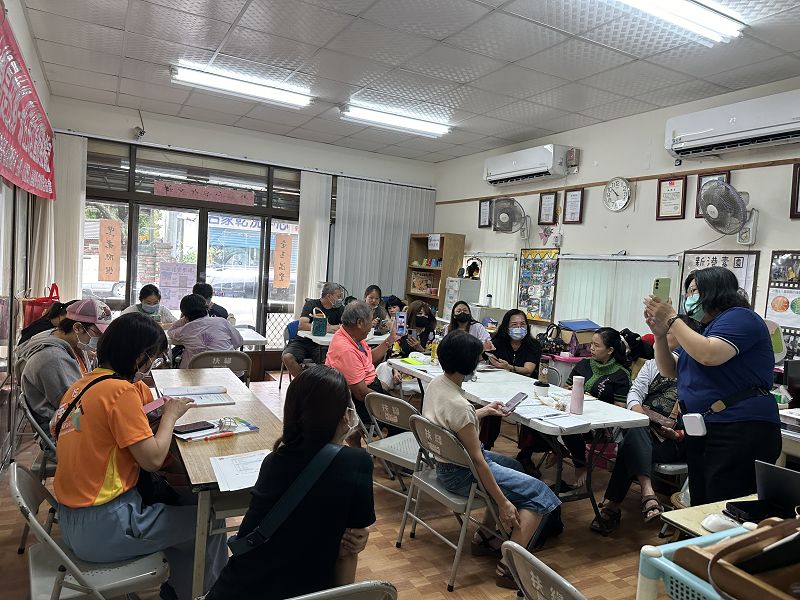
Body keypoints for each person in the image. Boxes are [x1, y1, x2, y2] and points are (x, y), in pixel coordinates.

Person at [51, 313, 226, 600]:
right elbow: (153, 460)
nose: (152, 364)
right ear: (140, 356)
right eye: (154, 357)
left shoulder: (82, 386)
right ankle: (200, 594)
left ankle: (178, 588)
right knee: (209, 521)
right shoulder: (120, 391)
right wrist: (169, 416)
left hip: (72, 522)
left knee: (188, 503)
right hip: (107, 525)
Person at [205, 366, 375, 600]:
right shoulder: (357, 462)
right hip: (309, 590)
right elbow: (349, 548)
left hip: (240, 586)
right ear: (344, 415)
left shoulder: (273, 460)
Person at [423, 330, 560, 588]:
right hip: (463, 473)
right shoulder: (460, 406)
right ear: (469, 364)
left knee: (515, 466)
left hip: (446, 464)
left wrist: (484, 411)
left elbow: (451, 422)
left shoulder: (437, 384)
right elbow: (478, 463)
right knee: (539, 493)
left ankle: (485, 539)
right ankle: (508, 567)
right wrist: (503, 502)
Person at [644, 266, 781, 504]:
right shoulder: (705, 330)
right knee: (702, 503)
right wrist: (659, 335)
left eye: (694, 291)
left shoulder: (740, 317)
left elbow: (709, 355)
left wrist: (672, 319)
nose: (689, 298)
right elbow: (669, 369)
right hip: (704, 429)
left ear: (715, 290)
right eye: (687, 293)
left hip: (739, 428)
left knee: (726, 506)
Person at [591, 328, 686, 534]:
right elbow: (635, 393)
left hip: (674, 441)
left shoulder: (696, 372)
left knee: (630, 445)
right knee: (636, 430)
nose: (660, 338)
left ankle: (612, 506)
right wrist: (641, 416)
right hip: (646, 431)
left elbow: (701, 419)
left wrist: (677, 434)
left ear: (683, 338)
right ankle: (648, 493)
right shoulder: (652, 365)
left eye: (667, 333)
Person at [518, 327, 631, 488]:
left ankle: (579, 464)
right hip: (571, 412)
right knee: (534, 419)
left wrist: (592, 400)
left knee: (571, 427)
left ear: (610, 350)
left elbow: (620, 408)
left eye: (596, 345)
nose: (591, 348)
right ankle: (557, 450)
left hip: (600, 425)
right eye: (591, 344)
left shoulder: (621, 374)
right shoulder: (584, 364)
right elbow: (565, 389)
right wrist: (570, 392)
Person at [17, 298, 111, 434]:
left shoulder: (68, 340)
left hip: (73, 420)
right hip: (65, 431)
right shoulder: (53, 359)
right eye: (97, 334)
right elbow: (75, 409)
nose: (100, 340)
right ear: (77, 328)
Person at [325, 301, 399, 444]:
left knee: (399, 411)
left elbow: (368, 358)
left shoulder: (353, 337)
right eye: (371, 321)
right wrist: (387, 401)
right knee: (402, 420)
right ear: (360, 323)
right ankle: (390, 454)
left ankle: (385, 452)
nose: (372, 325)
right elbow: (360, 393)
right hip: (362, 400)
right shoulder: (346, 350)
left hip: (369, 391)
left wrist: (390, 339)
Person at [480, 310, 542, 450]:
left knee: (531, 412)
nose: (519, 328)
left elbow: (528, 369)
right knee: (493, 406)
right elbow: (483, 358)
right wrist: (484, 350)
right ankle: (485, 446)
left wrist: (509, 367)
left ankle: (525, 453)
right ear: (506, 327)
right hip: (500, 387)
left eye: (522, 324)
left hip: (525, 389)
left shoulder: (533, 345)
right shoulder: (498, 342)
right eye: (514, 325)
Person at [282, 282, 344, 378]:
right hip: (303, 341)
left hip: (323, 345)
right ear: (329, 296)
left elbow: (345, 327)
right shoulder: (311, 304)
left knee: (329, 363)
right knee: (287, 357)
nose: (340, 299)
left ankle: (318, 384)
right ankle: (303, 381)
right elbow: (302, 325)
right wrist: (327, 328)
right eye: (338, 296)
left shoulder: (340, 309)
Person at [168, 294, 244, 369]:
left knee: (186, 357)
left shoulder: (185, 330)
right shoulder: (222, 321)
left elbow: (170, 331)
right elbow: (239, 342)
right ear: (207, 307)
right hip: (231, 372)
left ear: (184, 315)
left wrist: (185, 319)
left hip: (199, 374)